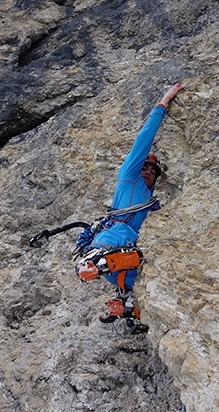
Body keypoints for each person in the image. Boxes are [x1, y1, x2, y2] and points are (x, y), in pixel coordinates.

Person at [74, 82, 184, 333]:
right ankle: (95, 257)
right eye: (144, 167)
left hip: (123, 262)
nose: (147, 172)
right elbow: (144, 139)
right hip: (110, 246)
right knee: (123, 231)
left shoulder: (152, 205)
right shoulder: (128, 177)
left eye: (152, 171)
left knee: (145, 262)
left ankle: (129, 303)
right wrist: (164, 102)